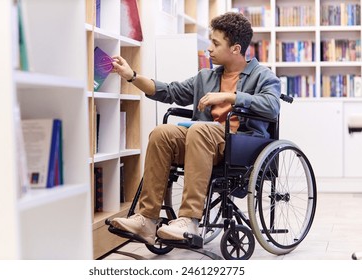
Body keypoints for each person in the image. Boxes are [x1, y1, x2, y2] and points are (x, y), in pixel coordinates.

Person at [110, 12, 281, 244]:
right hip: (203, 142)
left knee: (200, 129)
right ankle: (147, 219)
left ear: (235, 48)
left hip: (240, 144)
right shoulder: (205, 77)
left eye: (215, 43)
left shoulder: (263, 76)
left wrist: (231, 96)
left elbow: (272, 106)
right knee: (163, 133)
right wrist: (131, 76)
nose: (209, 48)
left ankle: (189, 220)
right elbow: (169, 91)